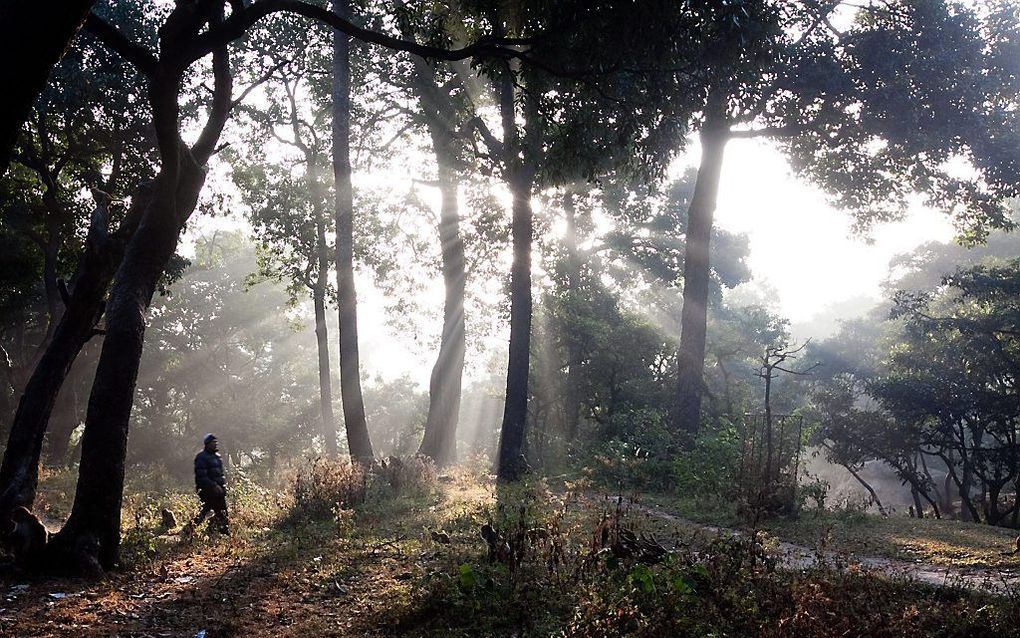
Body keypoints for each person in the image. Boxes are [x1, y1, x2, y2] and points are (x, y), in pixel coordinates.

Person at [192, 433, 229, 534]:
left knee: (222, 513)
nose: (216, 445)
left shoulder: (218, 456)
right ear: (207, 444)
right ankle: (189, 530)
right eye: (213, 443)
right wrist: (214, 485)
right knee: (205, 512)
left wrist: (222, 486)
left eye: (216, 443)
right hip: (207, 491)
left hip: (218, 491)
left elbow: (220, 474)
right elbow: (201, 476)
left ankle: (224, 533)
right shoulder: (201, 457)